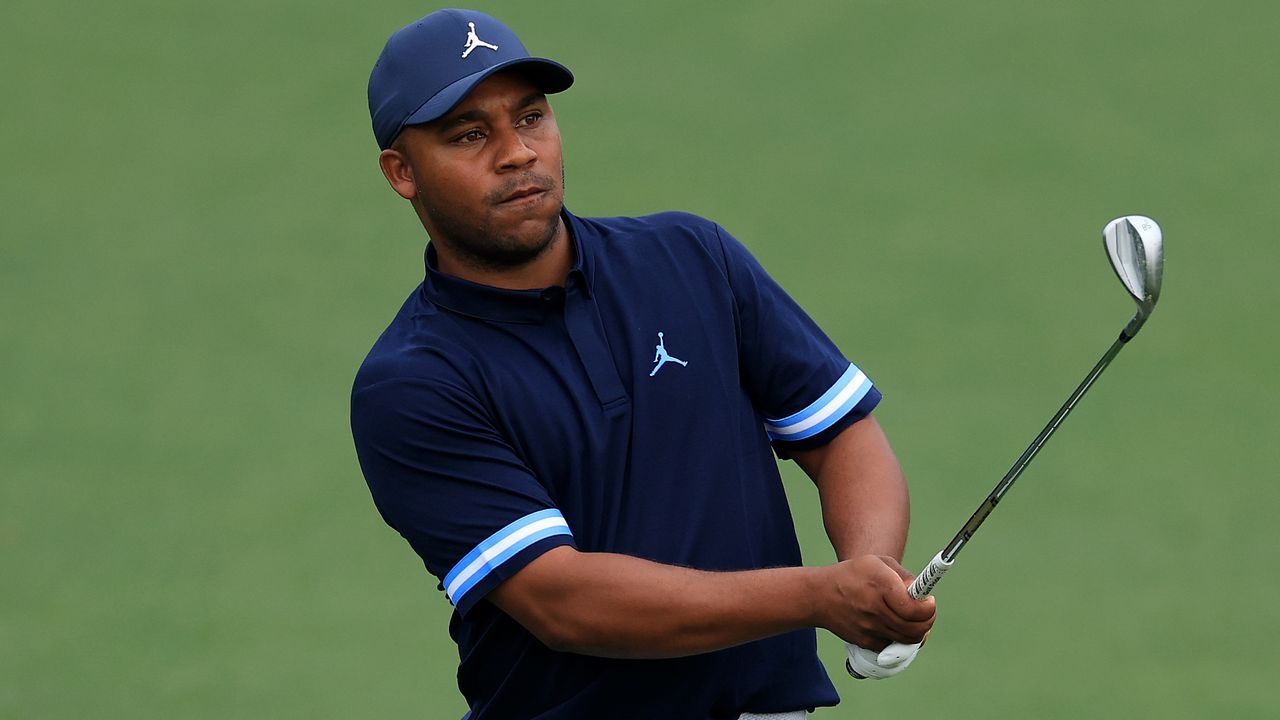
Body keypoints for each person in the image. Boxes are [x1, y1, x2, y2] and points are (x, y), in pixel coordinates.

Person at [350, 9, 936, 720]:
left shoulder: (692, 258)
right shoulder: (412, 383)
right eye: (470, 135)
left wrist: (868, 577)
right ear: (401, 172)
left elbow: (841, 435)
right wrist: (820, 596)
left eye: (531, 118)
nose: (516, 153)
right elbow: (563, 600)